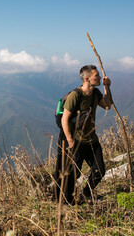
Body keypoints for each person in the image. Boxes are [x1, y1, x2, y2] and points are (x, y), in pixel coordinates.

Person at [53, 65, 111, 205]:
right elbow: (64, 119)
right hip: (76, 141)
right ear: (87, 79)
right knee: (73, 174)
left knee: (99, 170)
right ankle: (67, 202)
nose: (99, 78)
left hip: (91, 140)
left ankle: (86, 194)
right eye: (96, 76)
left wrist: (107, 87)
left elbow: (107, 105)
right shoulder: (75, 95)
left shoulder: (96, 93)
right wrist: (71, 142)